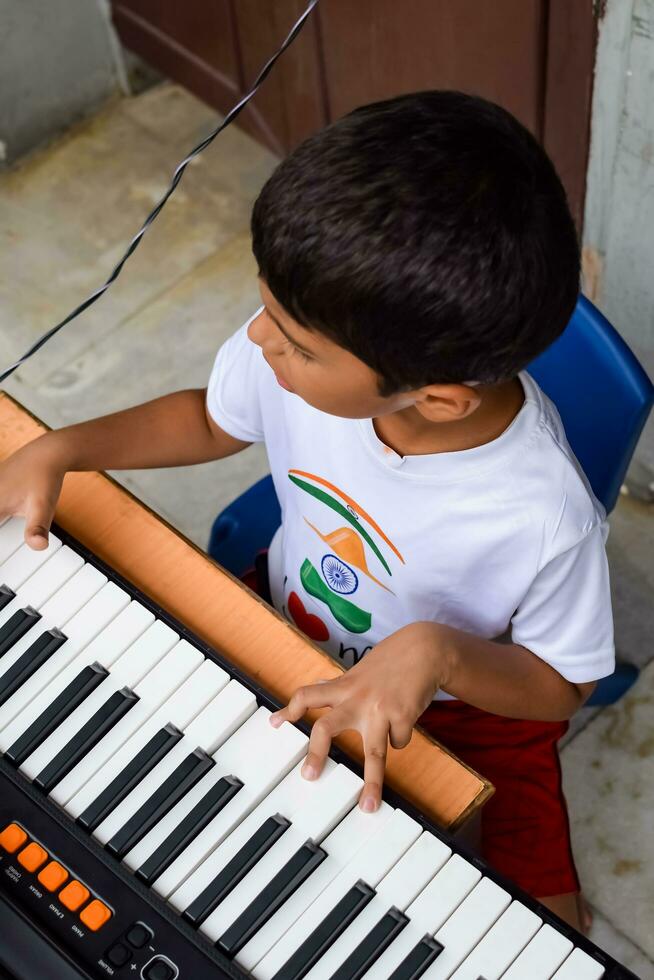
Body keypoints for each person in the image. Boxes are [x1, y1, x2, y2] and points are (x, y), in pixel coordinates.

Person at [0, 91, 613, 930]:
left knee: (550, 932)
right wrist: (62, 447)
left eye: (294, 342)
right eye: (270, 312)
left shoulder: (546, 513)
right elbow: (211, 420)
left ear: (436, 401)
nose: (259, 340)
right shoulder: (296, 344)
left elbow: (560, 684)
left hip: (466, 710)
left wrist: (436, 655)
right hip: (288, 621)